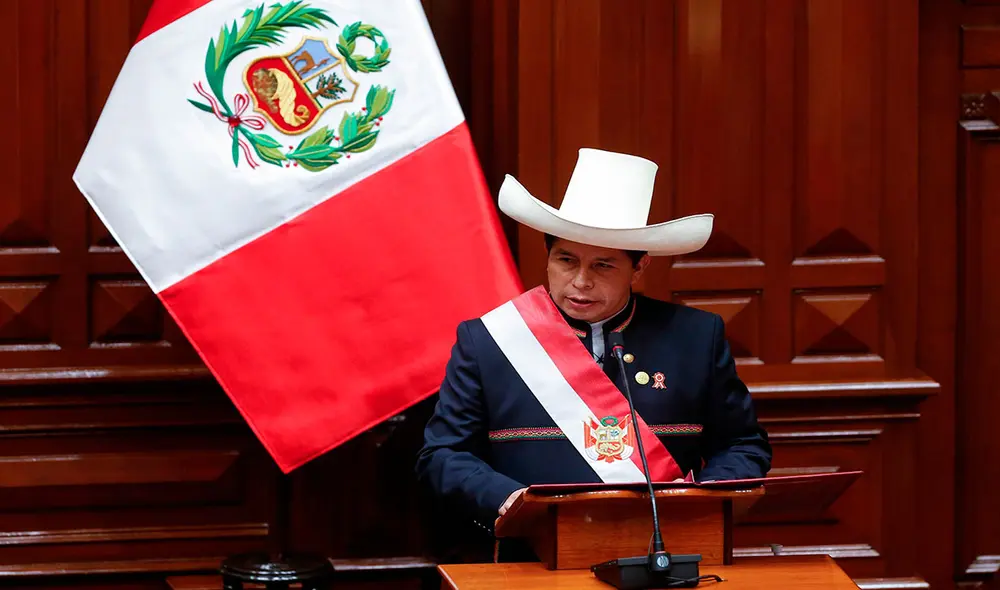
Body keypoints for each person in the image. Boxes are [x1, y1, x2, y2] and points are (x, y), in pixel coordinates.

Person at [415, 148, 771, 537]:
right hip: (533, 554)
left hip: (666, 548)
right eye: (566, 260)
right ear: (547, 256)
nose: (581, 281)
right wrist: (514, 502)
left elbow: (741, 445)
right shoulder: (488, 340)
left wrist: (696, 503)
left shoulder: (695, 337)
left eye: (603, 265)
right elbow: (443, 455)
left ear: (639, 266)